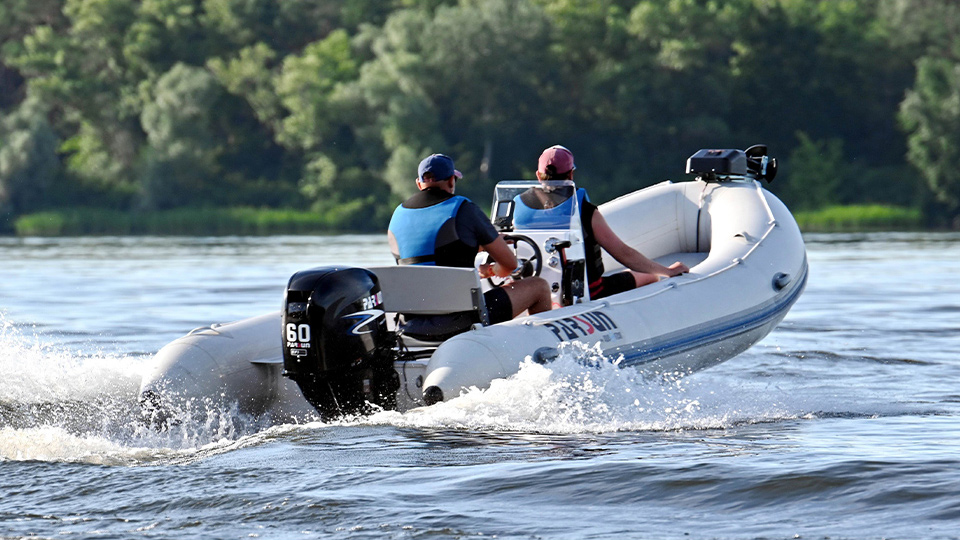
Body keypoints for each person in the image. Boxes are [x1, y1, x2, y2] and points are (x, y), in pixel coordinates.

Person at [387, 154, 551, 339]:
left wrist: (477, 247)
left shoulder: (396, 216)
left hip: (411, 325)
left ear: (419, 184)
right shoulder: (464, 208)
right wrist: (489, 271)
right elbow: (510, 266)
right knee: (539, 286)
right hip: (460, 322)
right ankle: (543, 351)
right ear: (451, 180)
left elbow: (430, 258)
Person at [520, 145, 689, 300]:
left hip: (542, 293)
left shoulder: (520, 210)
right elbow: (624, 253)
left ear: (538, 176)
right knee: (650, 276)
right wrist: (668, 271)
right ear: (571, 174)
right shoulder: (585, 211)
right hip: (588, 292)